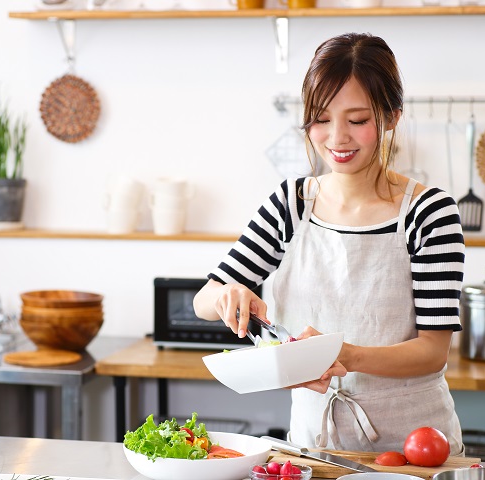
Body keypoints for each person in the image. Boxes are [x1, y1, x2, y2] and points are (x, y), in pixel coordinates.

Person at [193, 32, 464, 455]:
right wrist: (228, 294)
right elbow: (203, 300)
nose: (337, 138)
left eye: (357, 120)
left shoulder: (429, 213)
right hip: (313, 446)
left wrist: (346, 355)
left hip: (413, 451)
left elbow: (432, 351)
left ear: (392, 116)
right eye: (321, 118)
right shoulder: (290, 204)